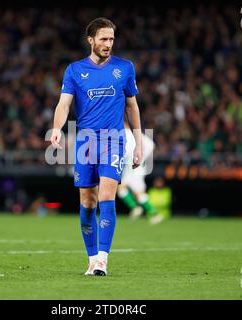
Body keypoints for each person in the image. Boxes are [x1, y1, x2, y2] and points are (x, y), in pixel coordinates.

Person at [50, 17, 142, 276]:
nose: (108, 44)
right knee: (88, 203)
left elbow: (132, 106)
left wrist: (138, 142)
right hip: (85, 143)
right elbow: (64, 104)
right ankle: (91, 259)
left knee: (106, 198)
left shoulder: (125, 68)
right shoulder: (74, 70)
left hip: (114, 141)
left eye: (111, 39)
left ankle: (103, 259)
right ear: (90, 40)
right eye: (103, 39)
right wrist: (56, 128)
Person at [117, 121, 161, 223]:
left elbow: (126, 152)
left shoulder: (126, 134)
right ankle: (146, 211)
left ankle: (150, 211)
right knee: (131, 191)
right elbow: (152, 145)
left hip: (134, 167)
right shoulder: (137, 134)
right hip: (135, 167)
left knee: (127, 190)